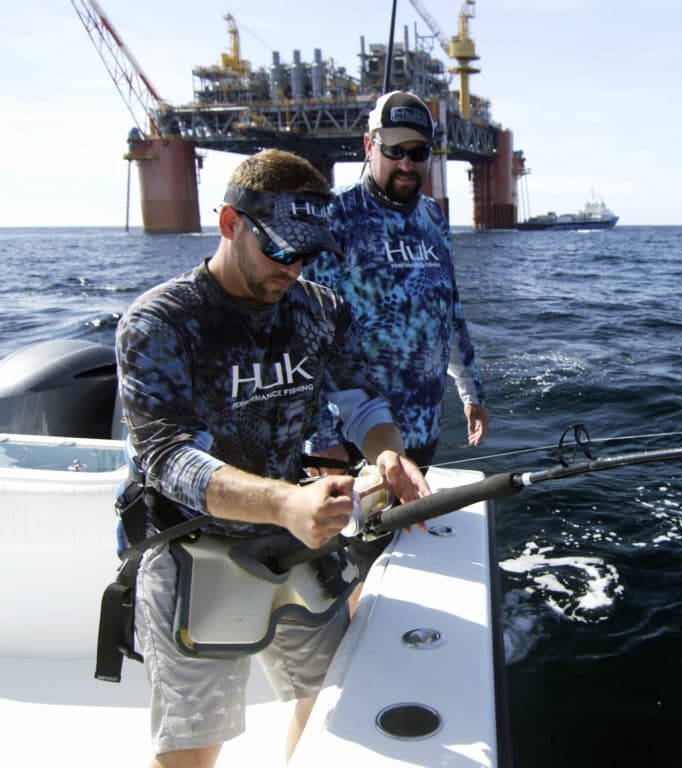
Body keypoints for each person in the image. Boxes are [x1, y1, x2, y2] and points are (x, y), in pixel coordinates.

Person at [114, 148, 430, 768]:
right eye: (280, 250)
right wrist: (285, 501)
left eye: (308, 254)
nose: (294, 267)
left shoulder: (321, 310)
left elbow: (360, 398)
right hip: (187, 546)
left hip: (292, 537)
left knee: (334, 695)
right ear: (230, 223)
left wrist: (389, 453)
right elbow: (168, 456)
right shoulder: (158, 323)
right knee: (194, 747)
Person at [303, 90, 489, 470]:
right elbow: (301, 337)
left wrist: (471, 391)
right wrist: (320, 438)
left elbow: (449, 310)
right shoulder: (333, 216)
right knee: (363, 531)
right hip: (352, 440)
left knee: (408, 526)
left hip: (424, 429)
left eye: (418, 152)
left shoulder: (433, 217)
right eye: (393, 150)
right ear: (369, 145)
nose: (406, 163)